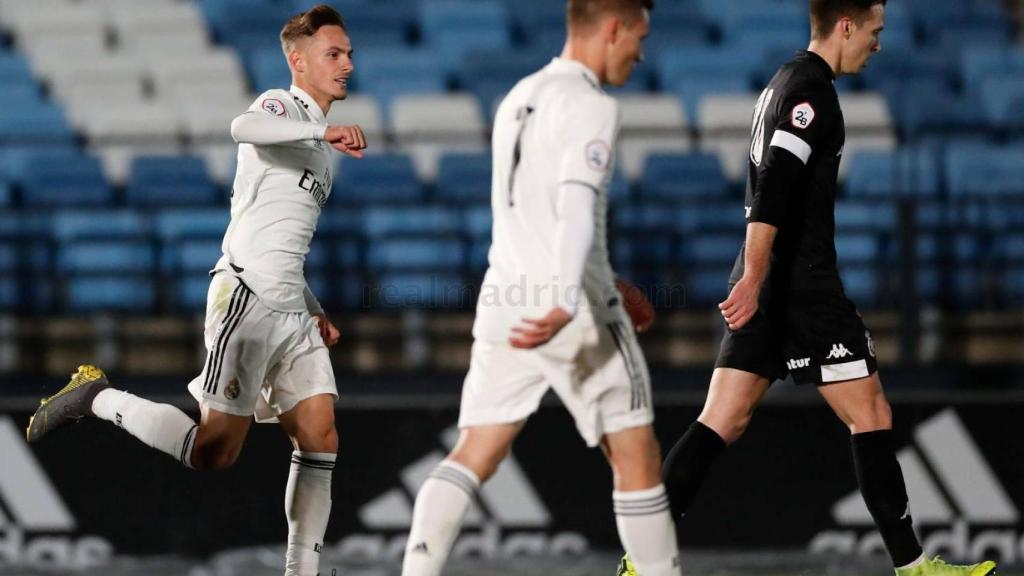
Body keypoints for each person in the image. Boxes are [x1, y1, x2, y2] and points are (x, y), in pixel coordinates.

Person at [629, 1, 999, 575]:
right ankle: (915, 569)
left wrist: (753, 273)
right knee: (870, 412)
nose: (877, 44)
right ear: (845, 25)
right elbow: (775, 185)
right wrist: (756, 276)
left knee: (721, 420)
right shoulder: (811, 92)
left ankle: (641, 563)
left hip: (769, 276)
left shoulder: (781, 81)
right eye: (874, 32)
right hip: (799, 285)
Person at [26, 6, 367, 576]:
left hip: (290, 308)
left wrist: (315, 308)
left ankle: (300, 571)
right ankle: (95, 398)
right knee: (213, 452)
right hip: (247, 299)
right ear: (298, 61)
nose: (347, 64)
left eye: (349, 53)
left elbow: (274, 237)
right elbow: (242, 127)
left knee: (319, 434)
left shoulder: (320, 155)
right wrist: (321, 128)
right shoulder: (282, 108)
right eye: (334, 54)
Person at [399, 2, 681, 576]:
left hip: (505, 301)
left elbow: (533, 212)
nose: (641, 51)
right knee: (636, 454)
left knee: (474, 450)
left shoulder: (519, 97)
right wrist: (567, 298)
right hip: (571, 309)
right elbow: (574, 209)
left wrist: (606, 281)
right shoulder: (592, 106)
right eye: (639, 36)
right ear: (612, 28)